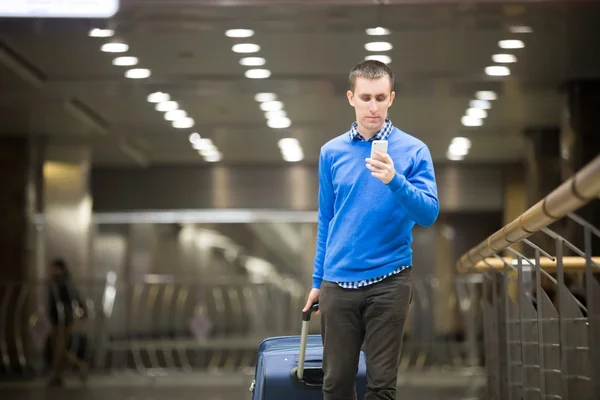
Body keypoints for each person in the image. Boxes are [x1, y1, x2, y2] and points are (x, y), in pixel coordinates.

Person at [302, 60, 439, 400]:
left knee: (381, 387)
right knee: (335, 384)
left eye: (380, 97)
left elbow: (428, 214)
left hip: (390, 280)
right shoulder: (331, 152)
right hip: (338, 282)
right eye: (366, 97)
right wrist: (318, 281)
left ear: (391, 98)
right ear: (351, 98)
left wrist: (395, 180)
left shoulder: (413, 150)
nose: (373, 107)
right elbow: (327, 219)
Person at [47, 258, 88, 386]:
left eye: (55, 268)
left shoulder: (64, 283)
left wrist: (82, 311)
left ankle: (75, 367)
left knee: (59, 349)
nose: (53, 271)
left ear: (61, 269)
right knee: (58, 349)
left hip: (64, 320)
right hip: (56, 320)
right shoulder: (54, 283)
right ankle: (63, 373)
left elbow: (74, 298)